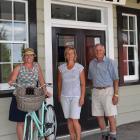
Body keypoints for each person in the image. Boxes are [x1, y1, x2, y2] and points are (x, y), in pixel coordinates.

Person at [8, 48, 50, 140]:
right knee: (20, 122)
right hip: (20, 96)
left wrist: (45, 90)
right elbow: (13, 78)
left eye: (31, 55)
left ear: (33, 56)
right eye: (27, 55)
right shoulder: (19, 67)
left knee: (34, 122)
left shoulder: (36, 66)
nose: (29, 57)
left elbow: (41, 79)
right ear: (23, 57)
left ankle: (29, 136)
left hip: (32, 96)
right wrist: (11, 81)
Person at [88, 44, 119, 140]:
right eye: (96, 50)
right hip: (96, 91)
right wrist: (91, 91)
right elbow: (90, 79)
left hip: (108, 91)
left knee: (110, 115)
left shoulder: (110, 62)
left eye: (100, 50)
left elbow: (116, 79)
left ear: (104, 51)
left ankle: (113, 136)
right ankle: (104, 135)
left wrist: (116, 94)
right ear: (94, 51)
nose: (98, 52)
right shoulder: (91, 63)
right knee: (99, 115)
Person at [58, 47, 85, 140]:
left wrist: (82, 97)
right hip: (64, 97)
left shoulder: (79, 67)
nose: (70, 55)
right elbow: (59, 83)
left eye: (72, 53)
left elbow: (83, 84)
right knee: (69, 119)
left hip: (76, 97)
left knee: (74, 119)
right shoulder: (61, 68)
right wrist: (59, 95)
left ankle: (78, 138)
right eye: (68, 53)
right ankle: (72, 137)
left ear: (75, 55)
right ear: (65, 55)